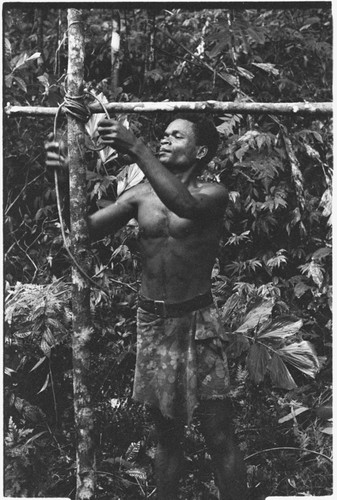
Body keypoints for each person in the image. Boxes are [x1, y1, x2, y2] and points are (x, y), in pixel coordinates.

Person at [46, 114, 248, 500]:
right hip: (155, 323)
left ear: (200, 151)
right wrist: (61, 178)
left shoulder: (213, 193)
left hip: (197, 322)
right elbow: (84, 230)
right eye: (164, 135)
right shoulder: (140, 195)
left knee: (218, 433)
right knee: (166, 436)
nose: (166, 140)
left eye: (177, 135)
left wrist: (136, 148)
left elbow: (185, 205)